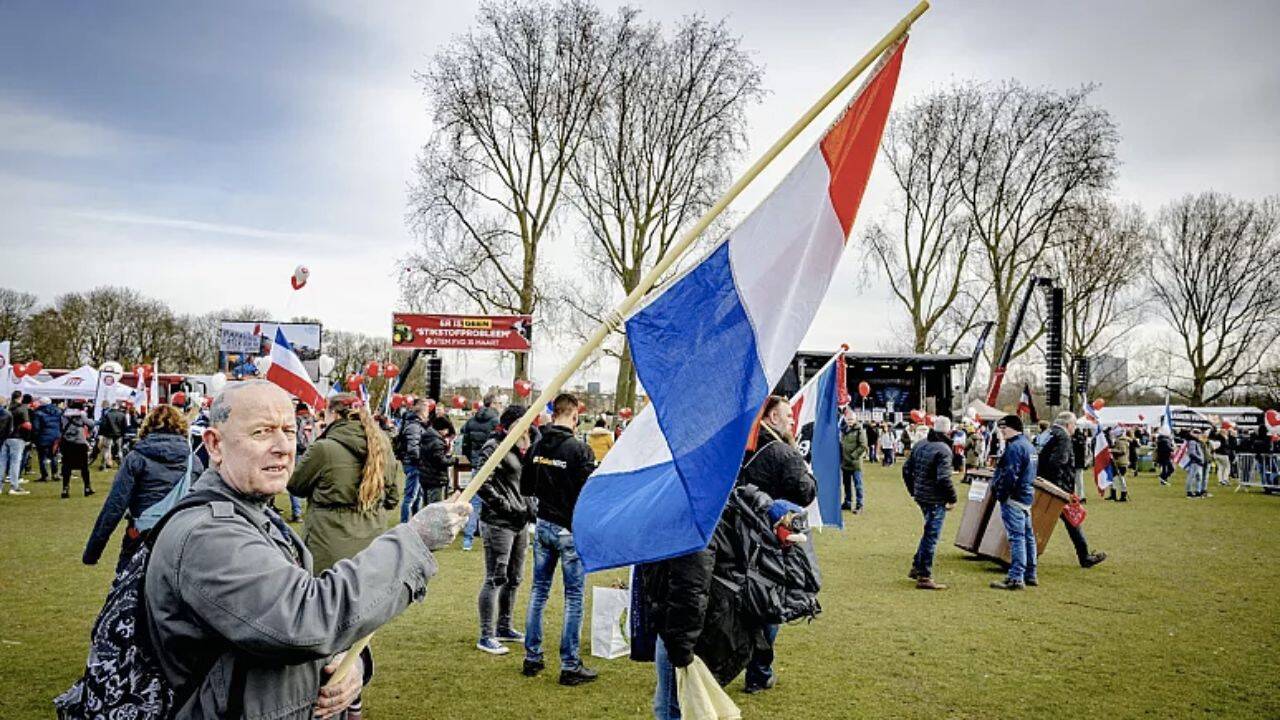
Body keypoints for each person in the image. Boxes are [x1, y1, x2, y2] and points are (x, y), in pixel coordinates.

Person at [144, 380, 471, 719]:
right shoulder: (208, 534)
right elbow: (304, 620)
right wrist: (413, 542)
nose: (284, 446)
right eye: (261, 432)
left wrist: (349, 662)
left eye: (288, 430)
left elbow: (298, 632)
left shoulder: (257, 514)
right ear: (214, 444)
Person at [737, 395, 814, 694]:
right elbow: (806, 493)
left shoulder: (742, 447)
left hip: (738, 537)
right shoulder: (784, 453)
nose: (793, 421)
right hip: (773, 540)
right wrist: (805, 470)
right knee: (769, 604)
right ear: (771, 419)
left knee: (744, 600)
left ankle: (745, 665)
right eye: (788, 416)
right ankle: (758, 672)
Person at [521, 392, 599, 686]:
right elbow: (589, 495)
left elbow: (526, 485)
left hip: (543, 525)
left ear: (555, 413)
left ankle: (532, 657)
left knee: (538, 592)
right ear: (575, 415)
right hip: (568, 528)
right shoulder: (579, 450)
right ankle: (569, 665)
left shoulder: (538, 445)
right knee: (573, 598)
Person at [82, 404, 204, 574]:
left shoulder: (136, 458)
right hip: (180, 538)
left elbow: (115, 505)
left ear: (148, 425)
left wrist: (93, 551)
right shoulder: (194, 461)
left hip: (141, 535)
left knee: (128, 591)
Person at [288, 393, 402, 573]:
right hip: (372, 539)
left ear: (333, 414)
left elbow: (295, 485)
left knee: (326, 597)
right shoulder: (382, 445)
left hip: (329, 542)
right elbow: (392, 497)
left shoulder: (324, 448)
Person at [474, 404, 537, 655]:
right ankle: (486, 634)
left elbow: (524, 483)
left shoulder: (523, 449)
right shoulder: (493, 447)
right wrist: (509, 508)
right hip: (499, 523)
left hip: (520, 522)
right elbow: (482, 483)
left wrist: (529, 509)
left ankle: (505, 626)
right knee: (496, 577)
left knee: (515, 578)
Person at [1040, 412, 1106, 569]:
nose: (1075, 428)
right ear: (1068, 424)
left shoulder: (1047, 434)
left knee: (1066, 522)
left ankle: (1084, 556)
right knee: (1072, 522)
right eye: (1074, 425)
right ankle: (1085, 557)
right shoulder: (1063, 438)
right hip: (1057, 489)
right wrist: (1062, 490)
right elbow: (1058, 462)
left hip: (1044, 485)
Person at [901, 416, 957, 590]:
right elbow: (944, 479)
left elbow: (906, 469)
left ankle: (917, 566)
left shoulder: (920, 444)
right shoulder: (944, 450)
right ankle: (924, 575)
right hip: (935, 499)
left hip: (922, 496)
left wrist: (913, 491)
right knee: (931, 536)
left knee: (928, 532)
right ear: (948, 430)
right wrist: (952, 498)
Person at [990, 415, 1038, 590]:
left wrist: (1001, 494)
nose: (1001, 432)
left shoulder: (1014, 448)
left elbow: (1010, 474)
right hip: (1025, 496)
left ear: (1010, 428)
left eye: (1003, 428)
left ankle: (1016, 577)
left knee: (1017, 538)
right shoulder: (1029, 446)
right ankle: (1031, 573)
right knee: (1028, 536)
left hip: (1014, 498)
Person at [461, 395, 503, 550]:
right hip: (492, 466)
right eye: (498, 403)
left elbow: (465, 443)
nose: (500, 406)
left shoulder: (471, 421)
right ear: (492, 404)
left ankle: (468, 539)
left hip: (476, 464)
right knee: (494, 501)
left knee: (475, 502)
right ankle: (492, 537)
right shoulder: (496, 422)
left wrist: (472, 460)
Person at [395, 399, 431, 523]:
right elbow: (413, 448)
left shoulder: (416, 424)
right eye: (427, 410)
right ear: (422, 411)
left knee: (418, 496)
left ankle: (415, 522)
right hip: (414, 465)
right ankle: (404, 524)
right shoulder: (414, 426)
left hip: (415, 464)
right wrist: (422, 461)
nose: (428, 413)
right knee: (411, 497)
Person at [60, 400, 94, 498]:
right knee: (84, 467)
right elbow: (90, 424)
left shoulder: (64, 414)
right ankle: (87, 487)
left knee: (66, 466)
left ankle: (65, 489)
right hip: (79, 442)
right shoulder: (81, 414)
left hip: (67, 442)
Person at [840, 413, 867, 513]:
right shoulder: (843, 430)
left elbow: (863, 445)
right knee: (846, 485)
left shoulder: (860, 430)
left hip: (855, 464)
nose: (850, 421)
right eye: (848, 419)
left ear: (855, 420)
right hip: (845, 463)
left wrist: (853, 456)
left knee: (858, 485)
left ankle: (860, 505)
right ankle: (848, 503)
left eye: (851, 419)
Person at [32, 396, 62, 482]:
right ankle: (55, 474)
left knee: (42, 457)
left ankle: (45, 475)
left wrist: (34, 438)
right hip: (56, 435)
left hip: (43, 436)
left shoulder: (38, 413)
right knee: (54, 455)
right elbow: (61, 423)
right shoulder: (58, 411)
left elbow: (36, 427)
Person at [95, 401, 127, 471]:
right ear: (117, 407)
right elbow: (124, 426)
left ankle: (103, 466)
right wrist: (123, 434)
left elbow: (103, 425)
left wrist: (101, 434)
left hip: (108, 434)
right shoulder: (122, 415)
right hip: (119, 434)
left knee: (106, 450)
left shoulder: (107, 414)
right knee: (119, 450)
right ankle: (121, 466)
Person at [1184, 430, 1209, 498]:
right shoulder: (1193, 441)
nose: (1199, 435)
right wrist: (1199, 459)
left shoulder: (1194, 441)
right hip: (1195, 462)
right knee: (1192, 477)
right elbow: (1192, 453)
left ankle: (1197, 492)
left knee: (1198, 477)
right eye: (1198, 434)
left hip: (1197, 462)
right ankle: (1189, 492)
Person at [1109, 428, 1130, 501]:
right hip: (1120, 462)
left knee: (1120, 479)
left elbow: (1122, 451)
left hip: (1121, 463)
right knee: (1116, 479)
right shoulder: (1123, 440)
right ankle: (1114, 495)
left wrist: (1112, 450)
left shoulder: (1120, 441)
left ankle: (1123, 495)